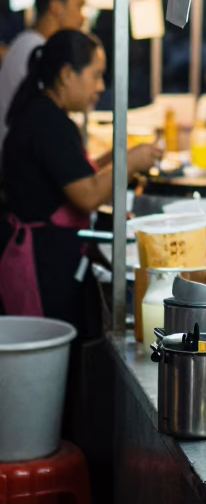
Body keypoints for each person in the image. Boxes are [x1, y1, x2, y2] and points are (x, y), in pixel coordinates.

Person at [0, 30, 159, 331]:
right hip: (41, 265)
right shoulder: (48, 121)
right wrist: (130, 162)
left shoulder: (45, 113)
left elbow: (74, 173)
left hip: (48, 257)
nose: (101, 86)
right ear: (66, 74)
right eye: (96, 75)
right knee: (50, 348)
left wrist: (119, 157)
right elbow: (86, 194)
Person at [0, 0, 85, 153]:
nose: (82, 17)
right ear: (56, 6)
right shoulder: (36, 52)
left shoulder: (26, 43)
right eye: (79, 6)